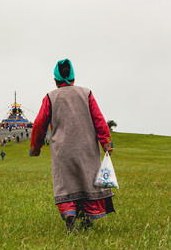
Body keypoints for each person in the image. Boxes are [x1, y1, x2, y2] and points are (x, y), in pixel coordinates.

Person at [30, 58, 115, 233]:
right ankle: (87, 219)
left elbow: (39, 124)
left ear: (55, 79)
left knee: (66, 184)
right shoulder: (87, 93)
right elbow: (99, 121)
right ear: (73, 77)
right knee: (86, 180)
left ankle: (70, 218)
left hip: (62, 151)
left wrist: (36, 147)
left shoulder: (50, 97)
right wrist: (106, 144)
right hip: (87, 149)